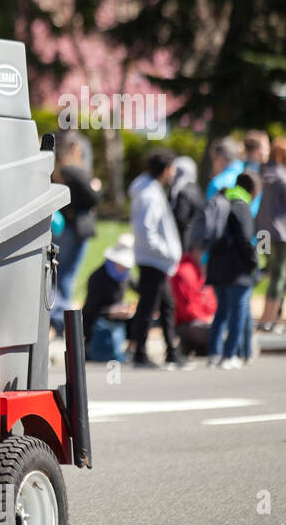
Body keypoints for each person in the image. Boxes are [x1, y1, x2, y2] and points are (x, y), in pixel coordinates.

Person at [127, 148, 189, 368]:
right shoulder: (149, 195)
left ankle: (170, 351)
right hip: (153, 259)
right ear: (165, 169)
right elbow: (146, 232)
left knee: (164, 306)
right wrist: (168, 251)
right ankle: (142, 353)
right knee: (150, 307)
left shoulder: (149, 190)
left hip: (153, 259)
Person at [207, 172, 261, 368]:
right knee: (237, 312)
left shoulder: (222, 200)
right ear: (253, 190)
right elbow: (246, 240)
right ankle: (230, 355)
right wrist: (255, 262)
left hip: (216, 266)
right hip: (237, 270)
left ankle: (214, 353)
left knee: (220, 312)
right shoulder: (242, 206)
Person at [49, 134, 99, 333]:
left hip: (62, 227)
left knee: (57, 275)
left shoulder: (56, 171)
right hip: (74, 230)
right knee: (67, 278)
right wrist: (96, 187)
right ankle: (65, 325)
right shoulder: (74, 171)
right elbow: (92, 198)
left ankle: (58, 320)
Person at [256, 137, 286, 332]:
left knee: (267, 270)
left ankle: (266, 316)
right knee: (279, 275)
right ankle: (269, 319)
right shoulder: (285, 177)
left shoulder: (262, 174)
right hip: (281, 234)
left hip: (262, 233)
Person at [81, 234, 137, 362]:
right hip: (97, 319)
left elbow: (141, 289)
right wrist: (111, 312)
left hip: (118, 318)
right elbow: (90, 309)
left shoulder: (126, 276)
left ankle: (132, 350)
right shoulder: (97, 277)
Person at [169, 248, 216, 356]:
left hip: (203, 319)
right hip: (187, 323)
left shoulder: (201, 271)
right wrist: (207, 319)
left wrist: (212, 316)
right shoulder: (184, 272)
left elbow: (211, 302)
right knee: (216, 332)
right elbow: (187, 310)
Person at [168, 156, 204, 247]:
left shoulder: (182, 192)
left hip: (184, 240)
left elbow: (181, 217)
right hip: (196, 236)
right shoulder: (196, 189)